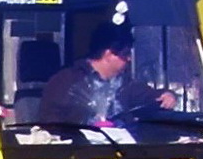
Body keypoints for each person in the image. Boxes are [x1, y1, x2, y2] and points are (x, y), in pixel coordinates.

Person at [38, 22, 176, 126]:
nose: (129, 59)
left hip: (121, 154)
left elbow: (150, 97)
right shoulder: (65, 81)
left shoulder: (125, 85)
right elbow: (51, 122)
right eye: (125, 54)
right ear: (109, 54)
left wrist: (167, 95)